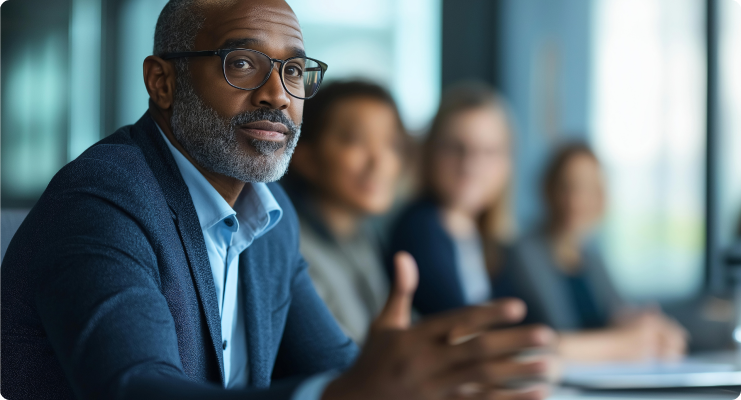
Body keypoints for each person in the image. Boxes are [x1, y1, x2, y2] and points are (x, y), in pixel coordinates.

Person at [0, 1, 556, 399]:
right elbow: (135, 388)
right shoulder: (104, 201)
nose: (276, 94)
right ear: (162, 82)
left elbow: (340, 371)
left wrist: (427, 381)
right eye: (241, 63)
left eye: (293, 70)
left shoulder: (270, 215)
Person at [507, 142, 688, 363]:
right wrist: (628, 341)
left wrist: (649, 327)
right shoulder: (524, 253)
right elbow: (557, 337)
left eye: (589, 189)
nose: (577, 200)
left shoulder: (592, 259)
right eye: (567, 187)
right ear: (548, 189)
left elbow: (618, 314)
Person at [282, 81, 403, 345]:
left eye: (392, 143)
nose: (379, 160)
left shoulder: (362, 235)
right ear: (306, 157)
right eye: (356, 140)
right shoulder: (293, 251)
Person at [389, 82, 517, 315]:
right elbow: (458, 326)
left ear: (506, 164)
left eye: (488, 152)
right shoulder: (419, 229)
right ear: (430, 153)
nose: (470, 165)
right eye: (455, 147)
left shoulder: (489, 239)